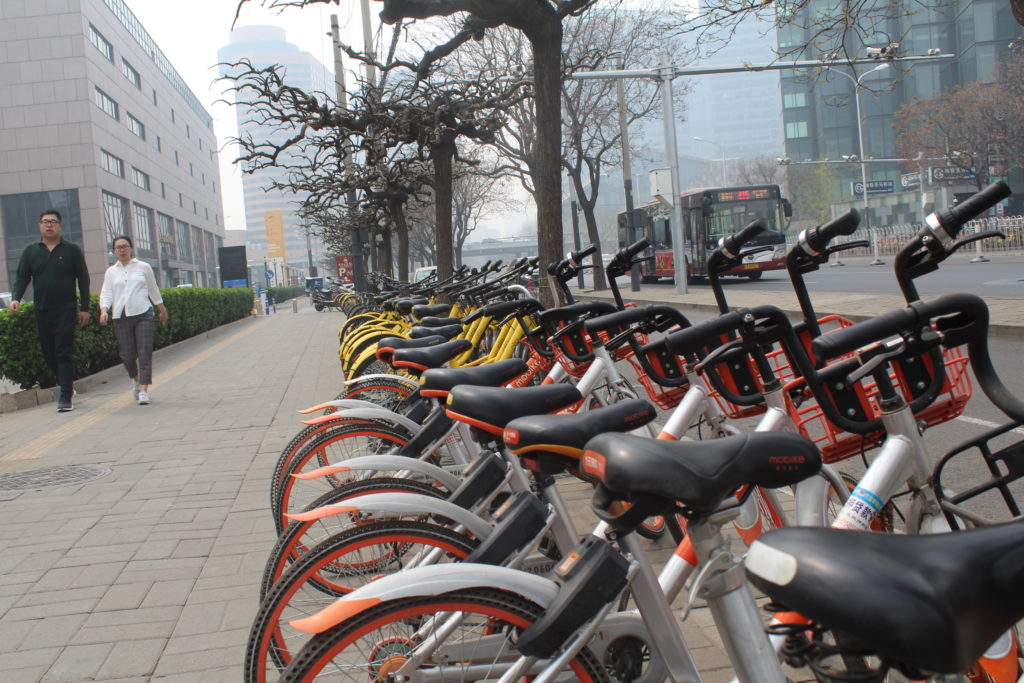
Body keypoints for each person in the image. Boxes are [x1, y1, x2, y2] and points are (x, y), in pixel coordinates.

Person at [9, 210, 90, 412]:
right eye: (45, 222)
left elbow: (83, 279)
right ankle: (67, 381)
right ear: (39, 225)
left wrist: (85, 308)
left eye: (53, 222)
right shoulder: (31, 251)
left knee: (63, 351)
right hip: (42, 309)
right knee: (49, 353)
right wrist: (16, 298)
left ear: (60, 226)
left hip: (66, 309)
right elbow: (22, 277)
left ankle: (65, 396)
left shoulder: (72, 250)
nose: (49, 225)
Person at [99, 235, 168, 405]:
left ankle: (144, 390)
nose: (122, 250)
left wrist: (162, 309)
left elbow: (153, 289)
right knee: (127, 355)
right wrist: (104, 310)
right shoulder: (111, 272)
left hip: (143, 313)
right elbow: (106, 293)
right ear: (114, 251)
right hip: (120, 317)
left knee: (144, 353)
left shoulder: (143, 267)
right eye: (118, 247)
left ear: (131, 248)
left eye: (125, 246)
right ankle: (136, 379)